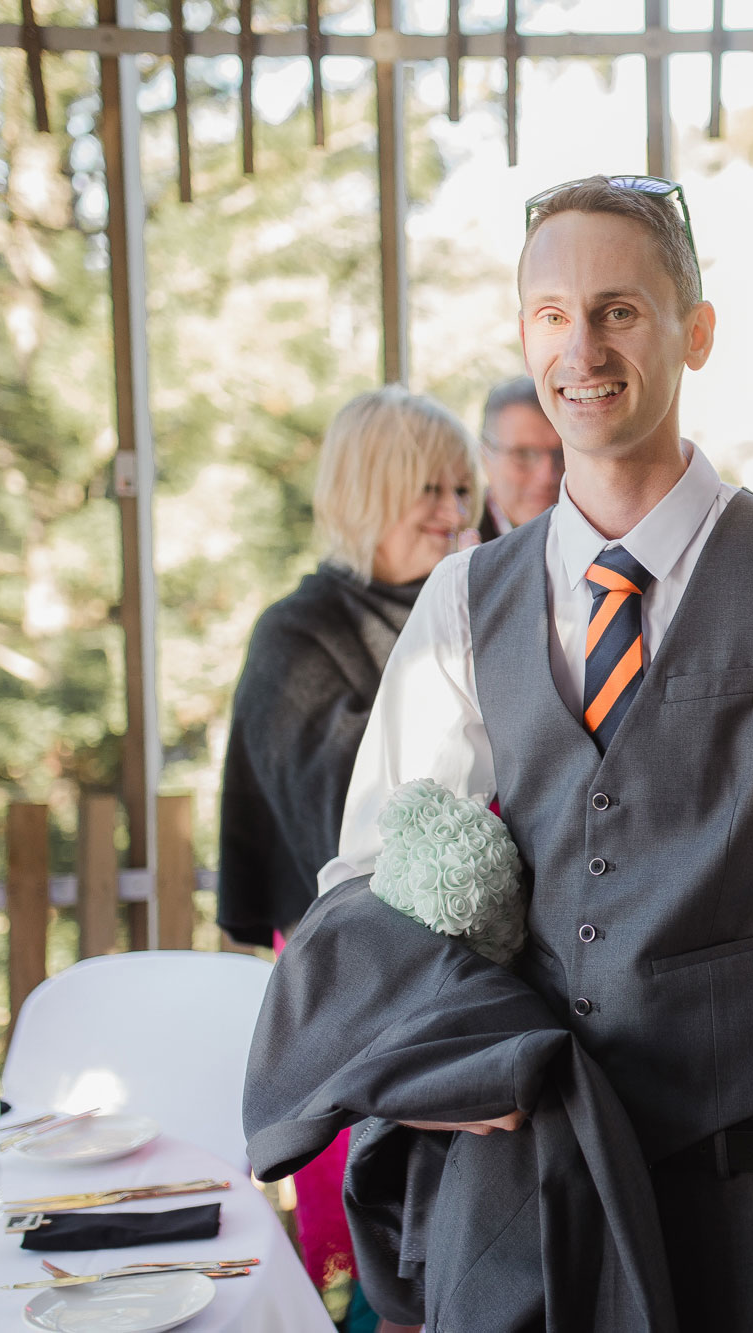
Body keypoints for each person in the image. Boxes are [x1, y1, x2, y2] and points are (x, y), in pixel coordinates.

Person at [312, 176, 753, 1333]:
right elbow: (366, 876)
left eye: (620, 310)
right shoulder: (466, 599)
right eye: (553, 315)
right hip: (527, 1209)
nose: (583, 347)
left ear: (694, 331)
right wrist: (433, 1059)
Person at [217, 383, 479, 1323]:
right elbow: (349, 816)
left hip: (467, 969)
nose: (456, 516)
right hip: (355, 979)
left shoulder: (474, 604)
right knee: (379, 1241)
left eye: (463, 491)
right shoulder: (300, 637)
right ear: (369, 491)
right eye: (431, 492)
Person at [476, 374, 565, 540]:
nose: (547, 477)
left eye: (562, 455)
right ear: (485, 457)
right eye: (524, 455)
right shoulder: (455, 546)